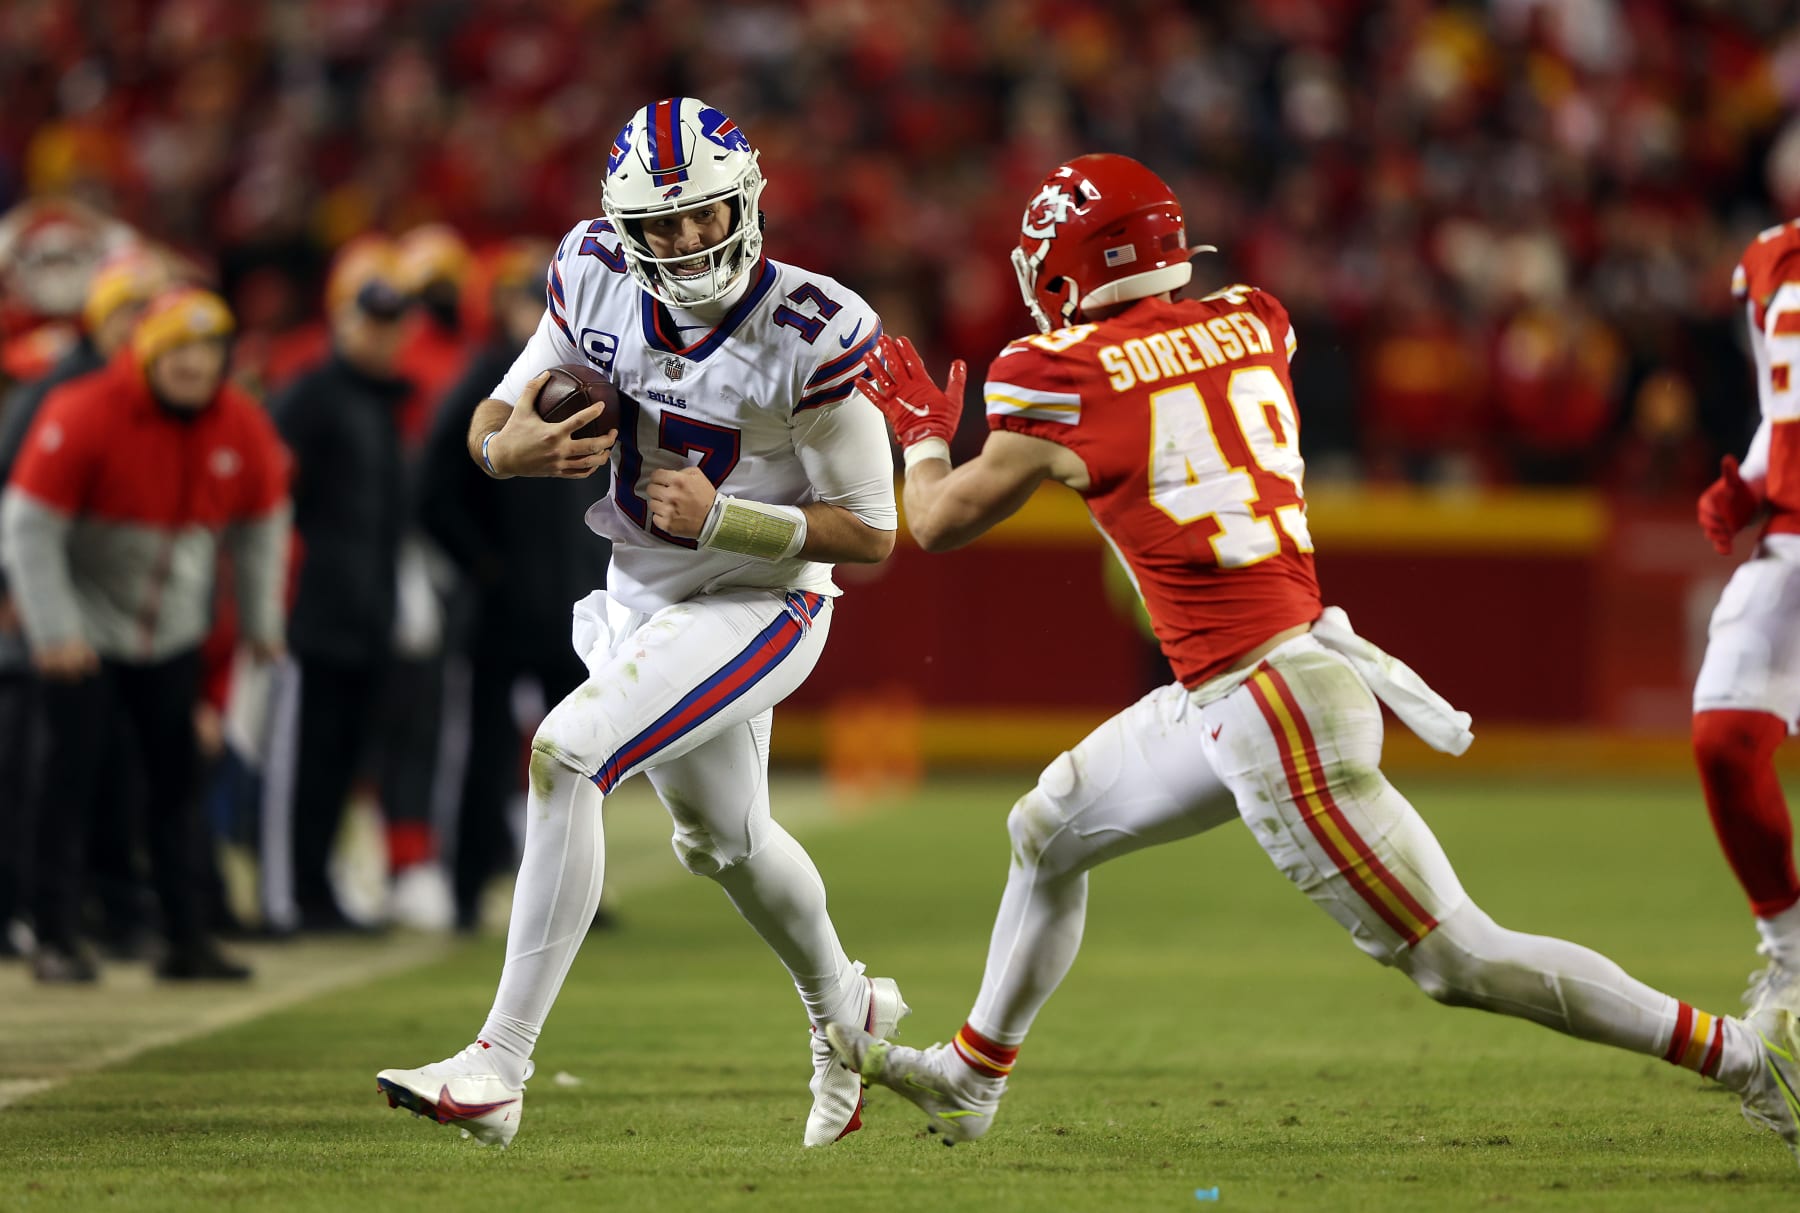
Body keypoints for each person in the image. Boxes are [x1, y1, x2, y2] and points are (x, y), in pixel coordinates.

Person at [822, 155, 1800, 1165]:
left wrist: (921, 436)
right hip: (1249, 683)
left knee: (1457, 957)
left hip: (1269, 703)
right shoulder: (1256, 318)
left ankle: (1746, 1059)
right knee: (1048, 828)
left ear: (1069, 270)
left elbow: (932, 521)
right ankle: (974, 1076)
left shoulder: (1054, 375)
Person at [376, 97, 903, 1149]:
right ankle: (849, 1010)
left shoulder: (812, 328)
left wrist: (730, 517)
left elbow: (874, 532)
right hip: (639, 594)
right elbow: (504, 406)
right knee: (725, 842)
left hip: (763, 597)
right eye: (659, 225)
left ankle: (499, 1063)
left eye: (704, 215)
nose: (684, 241)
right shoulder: (592, 271)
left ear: (746, 203)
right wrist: (502, 451)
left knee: (565, 752)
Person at [0, 287, 288, 982]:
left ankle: (185, 937)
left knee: (175, 782)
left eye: (208, 350)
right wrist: (56, 627)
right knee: (69, 780)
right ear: (148, 354)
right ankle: (54, 934)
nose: (194, 365)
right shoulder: (82, 410)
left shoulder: (239, 422)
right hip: (86, 627)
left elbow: (263, 521)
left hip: (172, 629)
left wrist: (260, 620)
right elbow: (28, 526)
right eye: (179, 350)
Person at [417, 239, 610, 932]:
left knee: (586, 757)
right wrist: (484, 564)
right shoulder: (485, 383)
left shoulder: (596, 375)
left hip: (575, 601)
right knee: (485, 755)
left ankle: (577, 898)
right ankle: (466, 889)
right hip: (500, 606)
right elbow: (431, 491)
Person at [0, 247, 167, 956]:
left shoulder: (137, 389)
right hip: (52, 609)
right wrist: (23, 600)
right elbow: (17, 503)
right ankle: (37, 914)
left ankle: (108, 908)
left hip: (112, 609)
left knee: (110, 768)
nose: (143, 323)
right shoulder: (61, 390)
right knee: (44, 769)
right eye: (132, 308)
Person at [261, 238, 413, 934]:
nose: (385, 335)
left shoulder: (377, 402)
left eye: (393, 322)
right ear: (341, 319)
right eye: (372, 320)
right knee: (303, 761)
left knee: (344, 760)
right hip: (312, 612)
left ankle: (316, 889)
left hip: (365, 610)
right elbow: (265, 503)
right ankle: (287, 894)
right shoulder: (312, 397)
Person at [1693, 218, 1800, 1016]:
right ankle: (1795, 963)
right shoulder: (1775, 255)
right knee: (1725, 734)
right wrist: (1751, 483)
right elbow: (1784, 411)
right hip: (1794, 542)